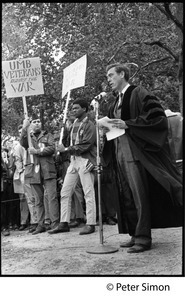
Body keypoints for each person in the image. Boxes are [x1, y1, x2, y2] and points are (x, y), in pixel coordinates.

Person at [101, 63, 182, 253]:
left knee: (139, 195)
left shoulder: (138, 93)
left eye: (111, 75)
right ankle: (135, 233)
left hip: (136, 153)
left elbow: (157, 117)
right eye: (107, 77)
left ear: (122, 74)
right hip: (119, 152)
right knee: (127, 195)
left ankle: (144, 238)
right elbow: (117, 126)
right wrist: (107, 128)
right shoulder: (115, 102)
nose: (109, 80)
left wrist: (128, 124)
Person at [48, 99, 97, 235]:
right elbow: (68, 143)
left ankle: (91, 223)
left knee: (88, 192)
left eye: (76, 108)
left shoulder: (90, 125)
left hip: (85, 160)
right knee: (65, 192)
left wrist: (66, 149)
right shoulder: (73, 124)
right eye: (72, 108)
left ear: (85, 109)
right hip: (73, 161)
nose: (73, 110)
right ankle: (64, 222)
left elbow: (86, 145)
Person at [20, 116, 60, 235]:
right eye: (34, 122)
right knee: (37, 199)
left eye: (39, 121)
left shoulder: (48, 135)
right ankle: (40, 224)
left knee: (52, 197)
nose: (37, 123)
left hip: (48, 170)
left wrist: (37, 151)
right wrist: (24, 127)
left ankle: (55, 223)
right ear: (30, 124)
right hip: (33, 171)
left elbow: (52, 148)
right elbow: (22, 142)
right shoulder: (28, 137)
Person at [13, 125, 30, 230]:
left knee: (34, 197)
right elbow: (18, 161)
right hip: (23, 174)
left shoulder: (31, 143)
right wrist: (22, 171)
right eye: (20, 133)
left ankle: (35, 221)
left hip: (33, 172)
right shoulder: (18, 147)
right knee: (23, 199)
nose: (21, 134)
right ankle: (24, 221)